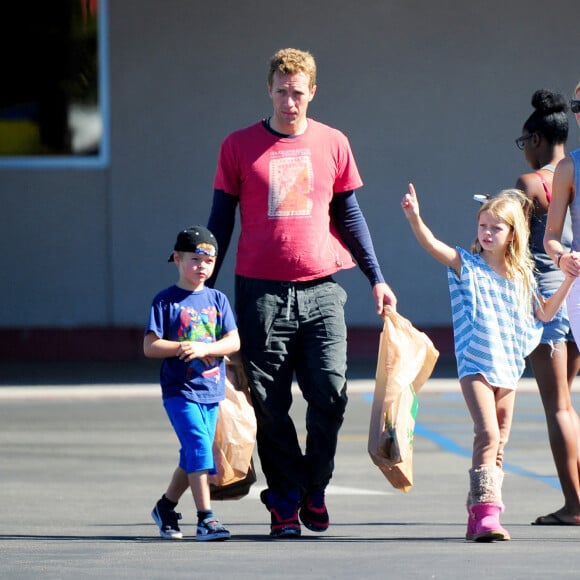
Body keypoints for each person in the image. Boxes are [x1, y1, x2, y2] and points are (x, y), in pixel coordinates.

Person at [206, 47, 397, 538]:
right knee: (268, 402)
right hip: (259, 293)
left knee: (331, 396)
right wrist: (202, 293)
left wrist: (376, 277)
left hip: (321, 290)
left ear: (312, 91)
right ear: (268, 90)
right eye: (281, 91)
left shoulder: (333, 143)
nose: (289, 101)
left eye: (298, 92)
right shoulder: (238, 146)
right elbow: (220, 222)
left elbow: (350, 216)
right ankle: (286, 497)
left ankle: (315, 486)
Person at [402, 184, 575, 542]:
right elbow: (435, 247)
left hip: (508, 367)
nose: (487, 233)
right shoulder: (470, 266)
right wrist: (416, 219)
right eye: (483, 226)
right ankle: (487, 515)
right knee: (488, 434)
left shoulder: (522, 276)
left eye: (495, 227)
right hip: (476, 365)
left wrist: (569, 280)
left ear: (512, 234)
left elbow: (544, 314)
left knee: (500, 442)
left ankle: (479, 511)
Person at [144, 225, 240, 541]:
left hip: (211, 389)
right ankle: (206, 519)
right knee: (199, 446)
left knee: (192, 455)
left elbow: (233, 341)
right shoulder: (166, 300)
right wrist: (181, 347)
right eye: (195, 259)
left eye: (208, 261)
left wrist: (207, 348)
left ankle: (166, 507)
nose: (202, 267)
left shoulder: (217, 299)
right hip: (179, 391)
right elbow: (150, 346)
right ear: (177, 258)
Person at [514, 89, 580, 526]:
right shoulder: (570, 168)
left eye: (524, 143)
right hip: (574, 294)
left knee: (558, 405)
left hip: (551, 298)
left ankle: (575, 505)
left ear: (537, 139)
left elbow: (511, 241)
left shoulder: (532, 183)